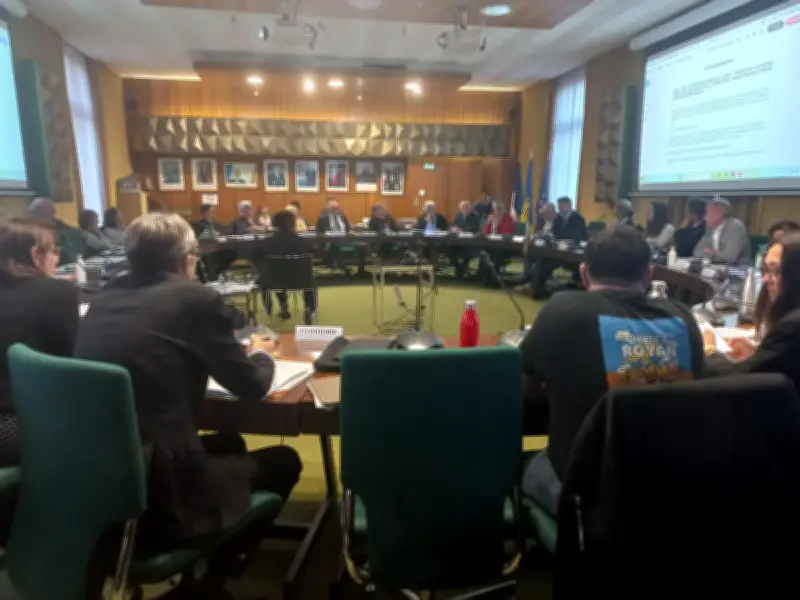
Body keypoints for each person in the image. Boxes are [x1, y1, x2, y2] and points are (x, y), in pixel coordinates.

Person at [74, 213, 302, 551]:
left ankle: (211, 550)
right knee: (284, 460)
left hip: (100, 475)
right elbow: (252, 385)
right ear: (185, 259)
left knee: (229, 443)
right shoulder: (196, 299)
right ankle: (224, 569)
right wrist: (260, 352)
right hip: (162, 488)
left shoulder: (106, 294)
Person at [519, 226, 704, 515]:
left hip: (590, 500)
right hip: (669, 493)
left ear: (583, 273)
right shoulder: (684, 318)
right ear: (648, 274)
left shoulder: (563, 310)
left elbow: (523, 381)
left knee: (523, 465)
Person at [0, 219, 79, 468]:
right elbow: (69, 365)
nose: (56, 258)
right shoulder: (56, 292)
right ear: (36, 255)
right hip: (11, 427)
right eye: (53, 251)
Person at [703, 233, 800, 393]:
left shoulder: (791, 327)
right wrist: (759, 356)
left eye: (775, 271)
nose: (765, 279)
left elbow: (736, 380)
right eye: (766, 270)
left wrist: (709, 349)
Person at [255, 210, 316, 325]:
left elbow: (257, 260)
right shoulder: (303, 242)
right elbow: (313, 253)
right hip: (300, 280)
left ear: (275, 225)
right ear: (293, 224)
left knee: (272, 273)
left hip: (274, 281)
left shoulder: (265, 243)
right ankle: (309, 307)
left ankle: (281, 305)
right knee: (309, 277)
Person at [693, 197, 752, 264]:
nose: (705, 218)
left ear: (719, 213)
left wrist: (711, 253)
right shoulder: (710, 229)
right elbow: (697, 252)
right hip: (715, 268)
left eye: (708, 213)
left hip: (738, 269)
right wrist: (712, 253)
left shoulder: (736, 227)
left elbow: (729, 257)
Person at [316, 200, 354, 277]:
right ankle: (342, 266)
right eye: (334, 208)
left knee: (334, 246)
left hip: (344, 240)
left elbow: (348, 229)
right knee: (334, 245)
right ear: (329, 209)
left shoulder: (343, 217)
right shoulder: (322, 218)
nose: (337, 210)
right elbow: (318, 232)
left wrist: (349, 232)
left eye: (338, 208)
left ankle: (329, 261)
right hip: (328, 241)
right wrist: (324, 234)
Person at [449, 201, 481, 278]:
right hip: (458, 242)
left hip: (471, 243)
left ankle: (461, 268)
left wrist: (461, 230)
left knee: (468, 252)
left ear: (470, 208)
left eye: (467, 207)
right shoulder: (458, 216)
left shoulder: (475, 217)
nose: (465, 209)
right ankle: (459, 268)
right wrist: (453, 229)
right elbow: (452, 226)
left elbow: (474, 229)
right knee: (449, 249)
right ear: (460, 209)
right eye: (463, 207)